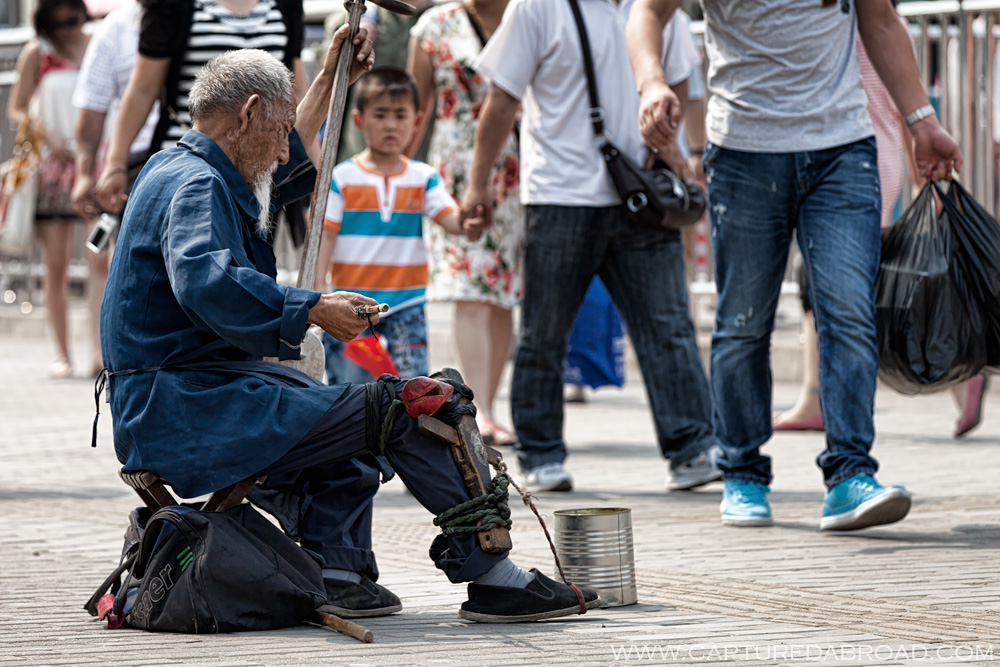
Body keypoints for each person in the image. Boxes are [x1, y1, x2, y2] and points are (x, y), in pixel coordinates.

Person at [99, 41, 599, 622]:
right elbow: (207, 282)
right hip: (186, 411)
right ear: (249, 114)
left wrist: (333, 74)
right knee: (413, 406)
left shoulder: (176, 165)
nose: (287, 148)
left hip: (175, 405)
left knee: (352, 423)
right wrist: (312, 309)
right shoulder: (197, 185)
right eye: (280, 129)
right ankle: (494, 577)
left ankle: (339, 573)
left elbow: (274, 167)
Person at [627, 0, 962, 529]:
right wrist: (651, 83)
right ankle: (741, 472)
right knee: (743, 321)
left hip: (842, 149)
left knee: (849, 311)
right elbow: (647, 12)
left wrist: (922, 122)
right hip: (742, 152)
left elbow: (880, 21)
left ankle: (850, 476)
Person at [462, 0, 720, 493]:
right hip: (560, 195)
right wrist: (479, 184)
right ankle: (541, 455)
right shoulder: (538, 7)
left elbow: (683, 83)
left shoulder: (664, 12)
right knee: (544, 331)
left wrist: (687, 151)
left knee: (668, 328)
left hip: (643, 195)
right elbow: (501, 99)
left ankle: (692, 450)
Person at [315, 68, 481, 383]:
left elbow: (448, 217)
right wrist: (320, 289)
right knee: (351, 388)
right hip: (352, 308)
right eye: (380, 115)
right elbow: (326, 234)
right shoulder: (341, 177)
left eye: (400, 115)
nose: (391, 124)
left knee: (412, 390)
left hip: (407, 305)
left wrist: (468, 223)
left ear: (417, 121)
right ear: (359, 120)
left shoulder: (424, 177)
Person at [407, 0, 524, 447]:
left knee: (502, 292)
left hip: (512, 168)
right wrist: (398, 172)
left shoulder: (526, 14)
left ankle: (492, 403)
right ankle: (480, 408)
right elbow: (414, 110)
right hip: (453, 168)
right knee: (468, 288)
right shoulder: (434, 25)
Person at [94, 0, 310, 214]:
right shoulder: (172, 5)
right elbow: (143, 90)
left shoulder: (285, 4)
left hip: (257, 171)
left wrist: (314, 166)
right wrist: (115, 164)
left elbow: (294, 91)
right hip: (185, 161)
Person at [7, 0, 98, 378]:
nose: (65, 26)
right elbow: (16, 109)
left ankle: (99, 351)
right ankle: (63, 354)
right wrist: (47, 134)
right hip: (52, 168)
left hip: (92, 163)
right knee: (57, 265)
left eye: (71, 18)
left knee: (102, 261)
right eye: (57, 20)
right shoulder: (36, 52)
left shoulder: (95, 45)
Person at [71, 0, 160, 224]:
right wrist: (85, 174)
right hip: (136, 165)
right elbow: (92, 110)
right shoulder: (115, 28)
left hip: (205, 159)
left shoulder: (202, 16)